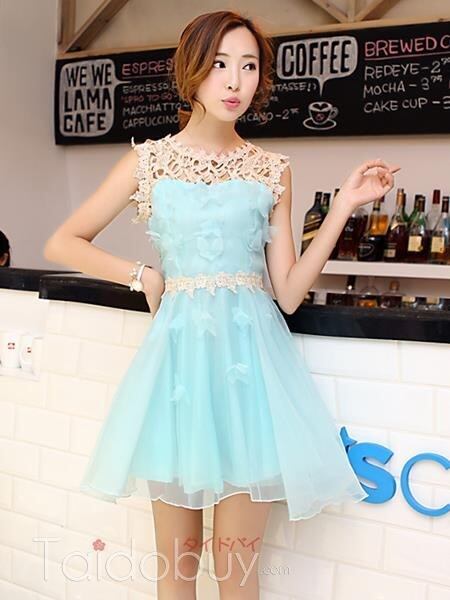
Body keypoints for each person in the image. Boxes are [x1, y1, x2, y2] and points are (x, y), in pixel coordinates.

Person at [44, 9, 400, 599]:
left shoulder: (271, 170)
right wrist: (141, 275)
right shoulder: (149, 161)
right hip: (177, 378)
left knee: (236, 570)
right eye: (219, 65)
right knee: (177, 567)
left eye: (249, 66)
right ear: (192, 70)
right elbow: (63, 242)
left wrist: (342, 206)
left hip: (250, 380)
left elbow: (288, 292)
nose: (235, 81)